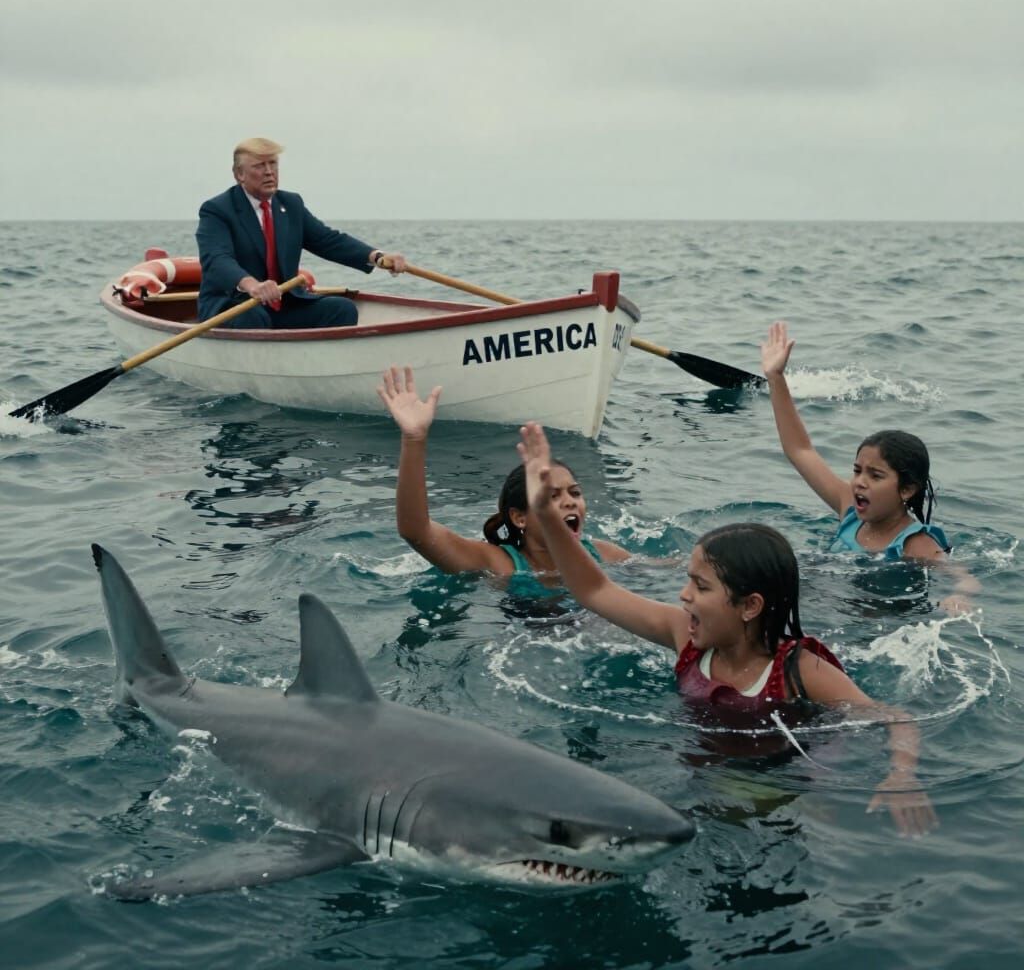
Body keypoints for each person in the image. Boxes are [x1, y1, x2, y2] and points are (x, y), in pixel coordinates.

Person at [517, 420, 939, 837]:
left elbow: (895, 718)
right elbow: (594, 589)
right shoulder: (684, 632)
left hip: (780, 782)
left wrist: (902, 775)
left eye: (700, 586)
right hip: (699, 768)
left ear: (749, 606)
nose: (683, 596)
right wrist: (544, 515)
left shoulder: (800, 669)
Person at [760, 321, 977, 612]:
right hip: (819, 597)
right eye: (857, 470)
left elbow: (966, 579)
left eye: (875, 475)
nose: (859, 482)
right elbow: (800, 450)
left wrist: (959, 596)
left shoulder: (915, 544)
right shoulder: (850, 510)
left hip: (869, 619)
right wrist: (776, 377)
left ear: (907, 489)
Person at [376, 366, 631, 578]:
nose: (569, 502)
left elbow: (664, 571)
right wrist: (414, 439)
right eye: (552, 496)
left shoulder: (604, 555)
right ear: (520, 518)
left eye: (575, 493)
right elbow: (416, 531)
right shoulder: (499, 564)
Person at [196, 137, 407, 328]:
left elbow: (327, 240)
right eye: (260, 165)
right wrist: (252, 285)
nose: (269, 171)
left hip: (284, 304)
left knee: (342, 309)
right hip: (235, 305)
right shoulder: (217, 210)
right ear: (239, 174)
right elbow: (217, 259)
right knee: (254, 318)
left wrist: (377, 257)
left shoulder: (291, 204)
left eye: (273, 164)